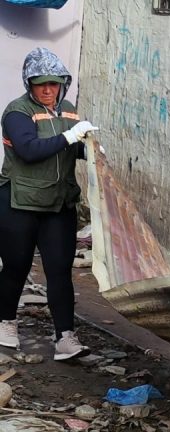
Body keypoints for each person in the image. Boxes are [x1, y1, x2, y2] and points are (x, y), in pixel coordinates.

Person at [0, 47, 99, 360]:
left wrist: (89, 149)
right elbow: (28, 150)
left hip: (59, 204)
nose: (47, 89)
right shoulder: (16, 112)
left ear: (62, 84)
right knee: (16, 267)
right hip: (19, 202)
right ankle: (6, 323)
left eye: (53, 83)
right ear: (29, 83)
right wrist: (70, 137)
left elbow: (71, 146)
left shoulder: (68, 110)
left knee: (59, 270)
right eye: (40, 83)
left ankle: (65, 339)